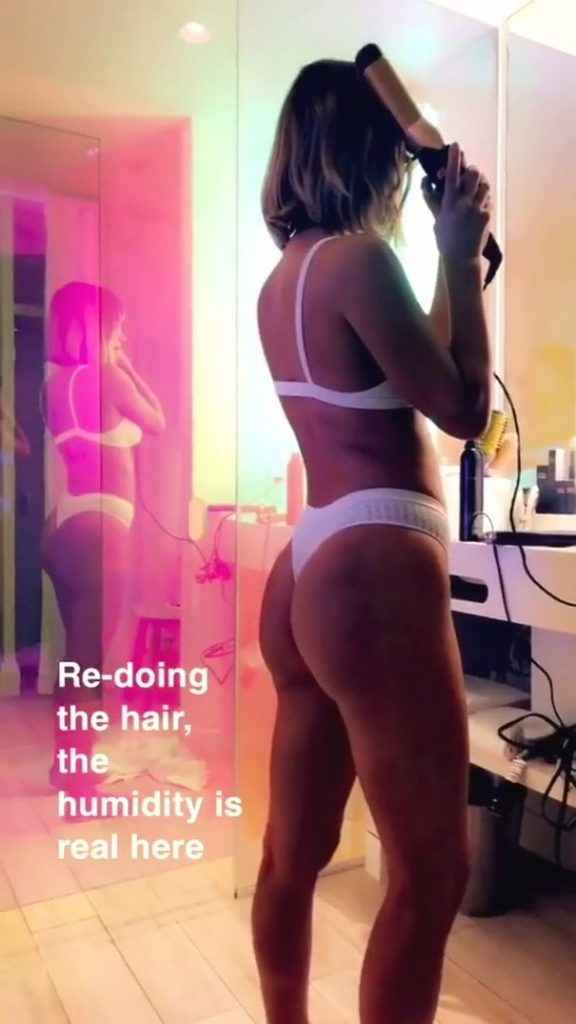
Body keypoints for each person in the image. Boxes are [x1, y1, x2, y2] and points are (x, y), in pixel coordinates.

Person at [253, 60, 492, 1024]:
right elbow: (464, 408)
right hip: (377, 561)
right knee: (433, 872)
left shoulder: (289, 276)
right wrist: (460, 259)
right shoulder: (358, 259)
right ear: (374, 153)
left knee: (292, 853)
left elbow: (412, 365)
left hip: (314, 558)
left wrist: (452, 264)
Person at [42, 282, 165, 794]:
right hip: (102, 528)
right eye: (118, 326)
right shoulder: (111, 377)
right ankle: (79, 785)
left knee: (76, 657)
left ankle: (66, 766)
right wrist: (128, 366)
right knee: (89, 663)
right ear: (101, 326)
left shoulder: (54, 384)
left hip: (64, 523)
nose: (123, 335)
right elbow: (158, 421)